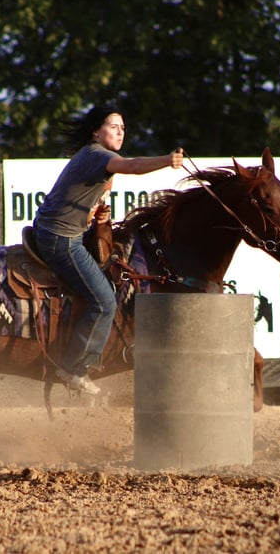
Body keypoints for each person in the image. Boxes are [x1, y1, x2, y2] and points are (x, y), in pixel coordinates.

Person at [34, 106, 184, 394]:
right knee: (104, 301)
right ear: (95, 132)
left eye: (123, 128)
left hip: (60, 232)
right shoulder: (97, 155)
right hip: (61, 239)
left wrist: (95, 218)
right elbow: (133, 166)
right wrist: (167, 160)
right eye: (113, 126)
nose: (120, 132)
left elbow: (82, 204)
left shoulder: (96, 159)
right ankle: (73, 368)